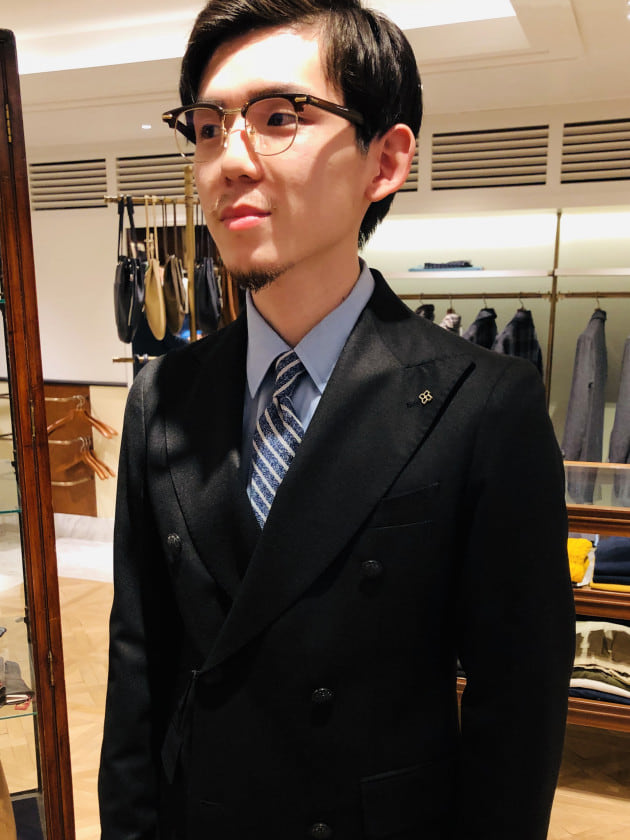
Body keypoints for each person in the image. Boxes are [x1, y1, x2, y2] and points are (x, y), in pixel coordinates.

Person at [98, 2, 575, 838]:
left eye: (279, 118)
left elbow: (517, 712)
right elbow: (139, 670)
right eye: (207, 128)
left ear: (384, 161)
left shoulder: (482, 402)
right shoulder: (162, 399)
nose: (228, 161)